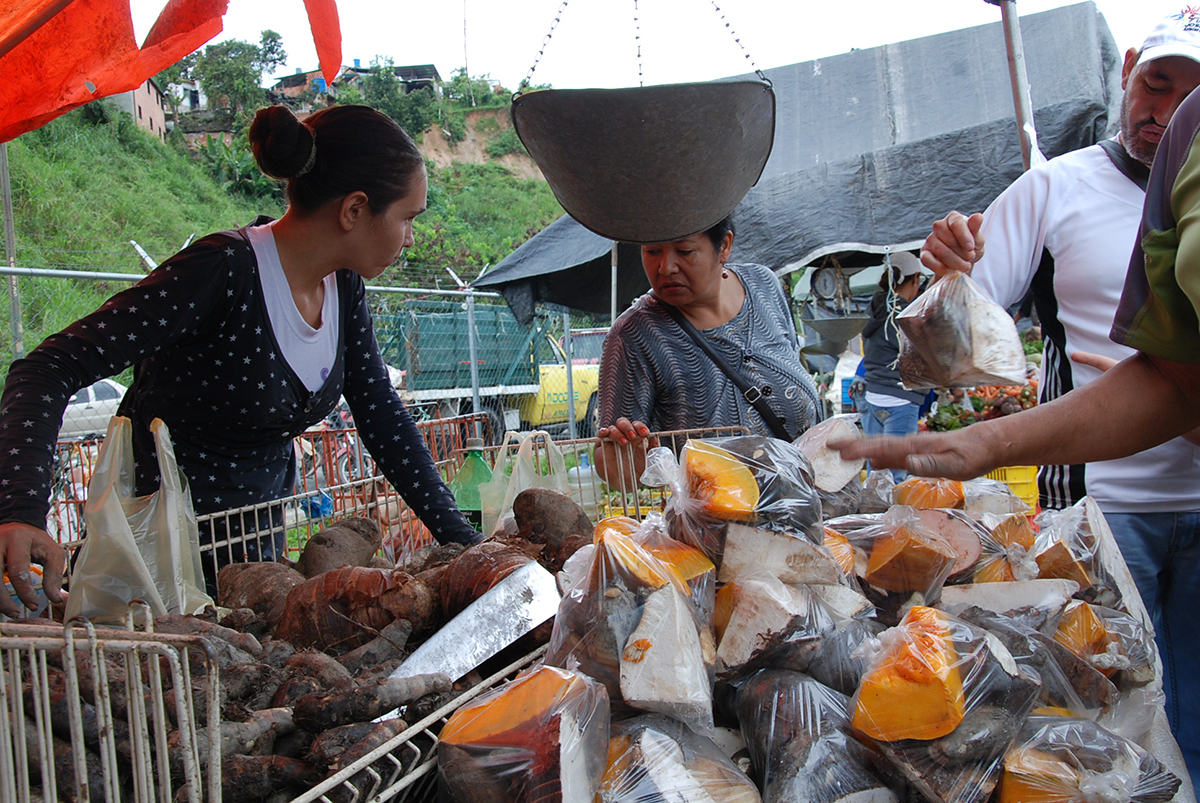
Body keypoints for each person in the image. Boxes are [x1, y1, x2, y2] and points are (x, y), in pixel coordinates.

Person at [839, 9, 1200, 779]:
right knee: (1113, 717)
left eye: (1190, 97)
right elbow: (939, 356)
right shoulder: (1053, 188)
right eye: (1155, 84)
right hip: (1103, 512)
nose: (1165, 113)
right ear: (1128, 68)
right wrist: (947, 275)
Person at [0, 104, 483, 616]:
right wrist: (20, 510)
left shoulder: (342, 286)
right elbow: (47, 368)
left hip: (255, 575)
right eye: (407, 218)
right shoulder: (221, 271)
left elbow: (381, 415)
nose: (410, 238)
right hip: (152, 578)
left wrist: (466, 542)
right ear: (355, 209)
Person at [593, 216, 821, 488]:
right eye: (652, 252)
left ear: (724, 246)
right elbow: (619, 465)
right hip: (718, 523)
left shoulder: (764, 285)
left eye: (685, 251)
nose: (666, 267)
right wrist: (627, 464)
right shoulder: (634, 336)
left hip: (817, 508)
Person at [859, 251, 927, 480]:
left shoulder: (875, 308)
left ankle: (872, 514)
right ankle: (892, 516)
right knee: (897, 475)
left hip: (872, 397)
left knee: (875, 474)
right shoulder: (909, 314)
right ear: (915, 279)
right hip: (900, 399)